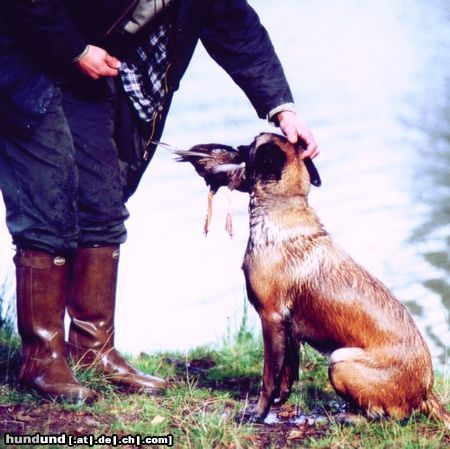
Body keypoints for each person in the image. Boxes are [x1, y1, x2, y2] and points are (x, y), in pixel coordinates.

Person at [0, 0, 319, 402]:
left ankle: (92, 352)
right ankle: (41, 361)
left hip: (81, 65)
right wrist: (75, 51)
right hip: (18, 58)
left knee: (103, 203)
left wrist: (283, 110)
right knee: (48, 208)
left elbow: (234, 23)